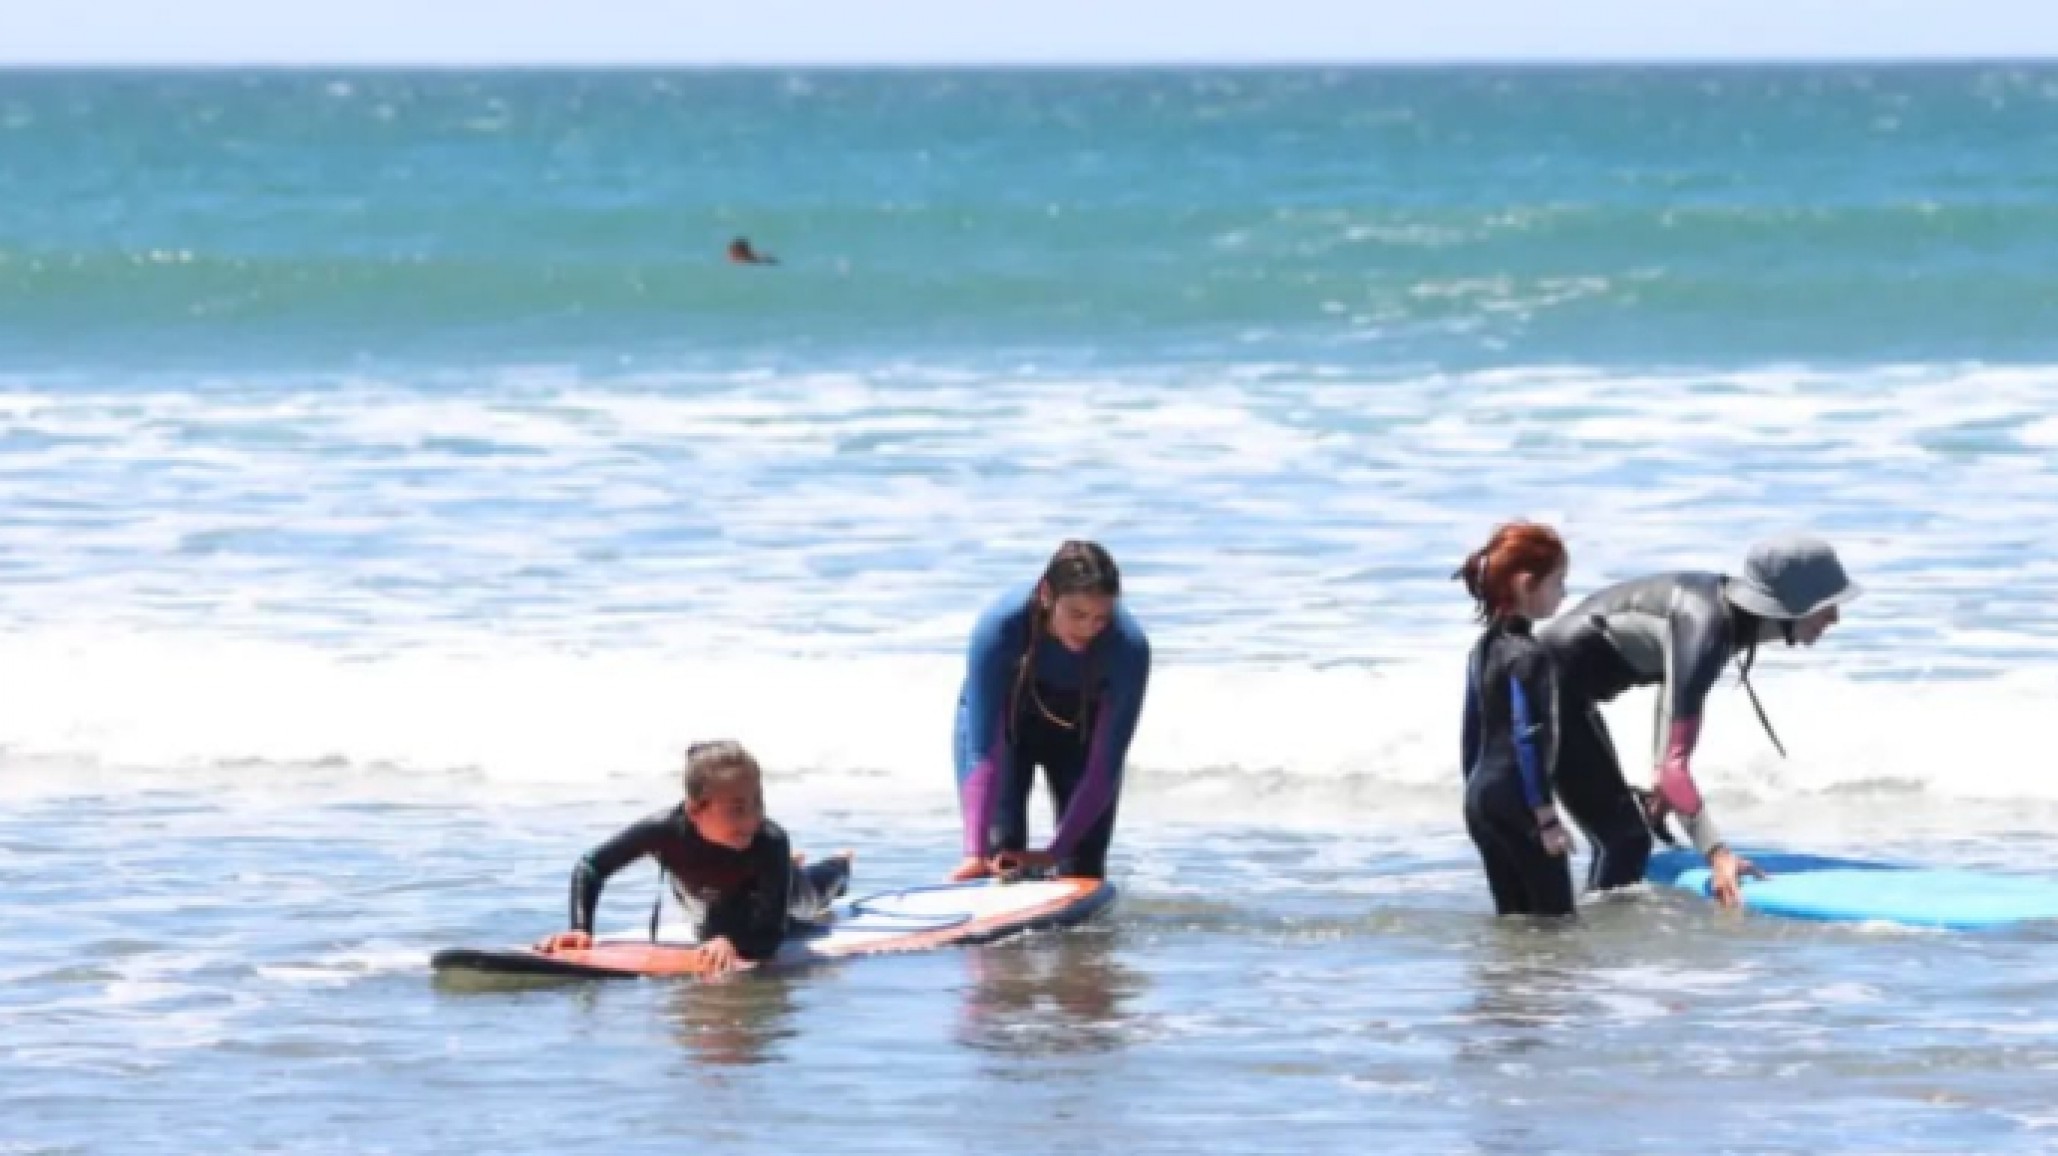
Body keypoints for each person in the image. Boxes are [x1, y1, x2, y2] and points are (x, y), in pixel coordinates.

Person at [1538, 534, 1860, 907]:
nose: (1835, 618)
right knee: (1623, 839)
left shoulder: (1724, 618)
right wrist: (1718, 855)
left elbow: (1671, 711)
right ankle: (1579, 947)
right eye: (1827, 605)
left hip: (1567, 699)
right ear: (1788, 603)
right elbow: (1676, 769)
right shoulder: (1707, 629)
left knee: (1624, 837)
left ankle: (1587, 941)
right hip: (1542, 698)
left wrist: (1663, 778)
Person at [536, 741, 851, 974]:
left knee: (812, 898)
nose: (753, 819)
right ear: (695, 810)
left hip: (774, 897)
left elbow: (770, 935)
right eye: (737, 809)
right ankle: (788, 870)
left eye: (758, 803)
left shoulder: (769, 839)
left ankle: (839, 864)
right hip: (715, 906)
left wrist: (736, 944)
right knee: (715, 924)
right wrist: (581, 928)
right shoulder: (663, 830)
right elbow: (591, 866)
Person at [950, 541, 1151, 883]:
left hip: (1078, 735)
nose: (1089, 628)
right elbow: (983, 750)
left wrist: (1054, 852)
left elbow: (1105, 766)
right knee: (1002, 858)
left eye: (1101, 617)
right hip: (1005, 732)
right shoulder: (999, 629)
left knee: (1083, 866)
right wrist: (974, 853)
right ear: (1046, 594)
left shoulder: (1128, 649)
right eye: (1077, 615)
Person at [1455, 521, 1575, 917]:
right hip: (1517, 801)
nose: (1564, 592)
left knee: (1513, 918)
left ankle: (1508, 979)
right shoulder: (1529, 655)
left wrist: (1474, 795)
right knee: (1556, 922)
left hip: (1480, 800)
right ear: (1526, 585)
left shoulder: (1482, 649)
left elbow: (1470, 733)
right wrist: (1546, 817)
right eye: (1558, 582)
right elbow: (1528, 735)